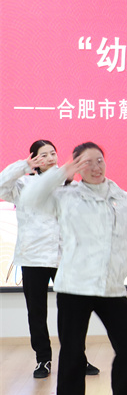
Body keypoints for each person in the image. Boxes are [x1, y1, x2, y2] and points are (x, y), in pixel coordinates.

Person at [20, 142, 127, 395]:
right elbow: (30, 198)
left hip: (111, 288)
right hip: (74, 287)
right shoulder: (65, 196)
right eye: (87, 162)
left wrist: (118, 254)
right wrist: (61, 173)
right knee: (72, 352)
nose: (95, 167)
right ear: (77, 167)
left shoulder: (123, 198)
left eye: (99, 160)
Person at [0, 140, 99, 379]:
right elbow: (1, 184)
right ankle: (43, 359)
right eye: (42, 155)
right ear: (34, 159)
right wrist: (23, 166)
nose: (50, 157)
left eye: (53, 153)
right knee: (37, 313)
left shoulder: (69, 184)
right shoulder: (23, 185)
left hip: (64, 258)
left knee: (73, 312)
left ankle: (77, 358)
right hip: (33, 258)